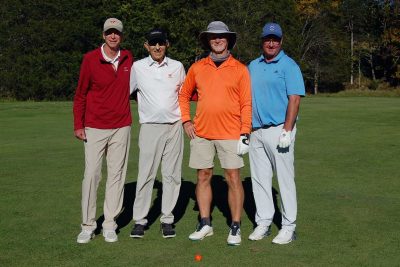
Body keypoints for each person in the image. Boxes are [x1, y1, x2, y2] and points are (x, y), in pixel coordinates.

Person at [178, 21, 252, 246]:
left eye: (221, 36)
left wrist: (245, 132)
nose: (218, 40)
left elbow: (246, 103)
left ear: (228, 40)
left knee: (233, 178)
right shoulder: (197, 67)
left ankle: (236, 226)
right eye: (213, 37)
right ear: (208, 41)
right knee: (202, 176)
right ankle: (205, 223)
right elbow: (183, 95)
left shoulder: (240, 69)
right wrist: (186, 121)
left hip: (231, 133)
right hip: (202, 133)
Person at [73, 18, 133, 243]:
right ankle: (88, 225)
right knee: (92, 175)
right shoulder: (90, 59)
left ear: (121, 35)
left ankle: (110, 224)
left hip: (121, 126)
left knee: (116, 176)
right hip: (94, 126)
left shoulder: (128, 57)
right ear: (103, 35)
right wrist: (78, 124)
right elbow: (80, 94)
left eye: (116, 32)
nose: (113, 36)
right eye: (109, 32)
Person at [247, 22, 305, 244]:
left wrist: (287, 130)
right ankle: (263, 222)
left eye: (275, 40)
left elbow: (295, 98)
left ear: (281, 42)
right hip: (256, 131)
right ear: (262, 41)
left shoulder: (289, 65)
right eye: (267, 39)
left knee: (284, 178)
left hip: (280, 129)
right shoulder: (253, 65)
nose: (271, 43)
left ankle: (288, 226)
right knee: (260, 179)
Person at [129, 29, 185, 239]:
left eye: (161, 43)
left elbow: (183, 95)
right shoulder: (138, 67)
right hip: (150, 127)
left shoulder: (178, 66)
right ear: (147, 46)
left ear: (167, 44)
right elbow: (127, 92)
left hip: (174, 126)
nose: (157, 47)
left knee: (171, 175)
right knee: (146, 174)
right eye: (153, 44)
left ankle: (167, 219)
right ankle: (140, 220)